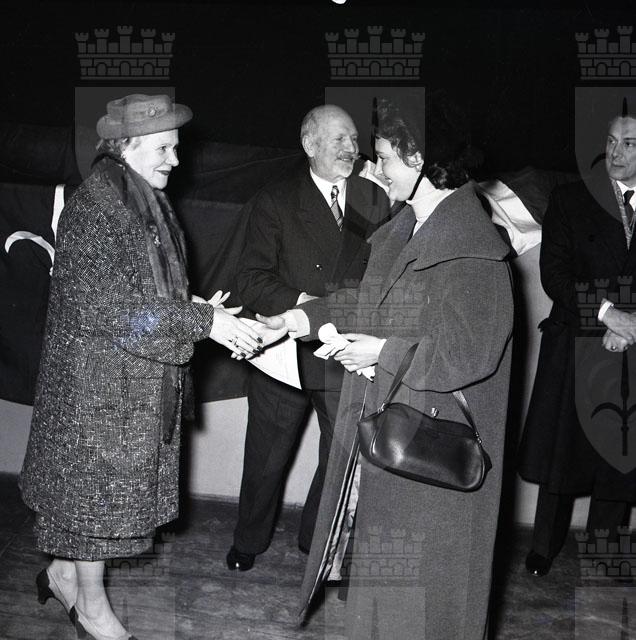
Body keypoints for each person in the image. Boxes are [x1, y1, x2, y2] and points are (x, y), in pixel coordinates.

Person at [19, 94, 275, 640]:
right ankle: (91, 610)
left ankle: (61, 574)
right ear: (124, 146)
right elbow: (112, 309)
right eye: (163, 148)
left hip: (122, 382)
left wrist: (197, 308)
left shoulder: (140, 197)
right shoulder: (97, 208)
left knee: (85, 503)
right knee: (92, 510)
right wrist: (202, 322)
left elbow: (142, 291)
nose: (175, 160)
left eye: (175, 148)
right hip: (96, 390)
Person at [260, 92, 514, 639]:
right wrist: (297, 320)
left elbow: (468, 351)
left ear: (420, 160)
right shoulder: (405, 230)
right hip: (395, 448)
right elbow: (367, 302)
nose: (374, 169)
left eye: (385, 158)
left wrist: (381, 353)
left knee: (426, 607)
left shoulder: (476, 250)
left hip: (435, 466)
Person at [226, 104, 391, 571]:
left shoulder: (377, 200)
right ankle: (248, 540)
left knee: (341, 457)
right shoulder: (275, 200)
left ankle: (315, 543)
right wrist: (307, 308)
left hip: (346, 353)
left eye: (354, 139)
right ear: (309, 144)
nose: (351, 148)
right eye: (339, 139)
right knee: (266, 456)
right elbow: (251, 279)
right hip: (285, 352)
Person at [519, 111, 636, 577]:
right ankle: (542, 548)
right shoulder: (571, 199)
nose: (615, 152)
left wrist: (631, 326)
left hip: (633, 346)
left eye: (629, 144)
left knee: (621, 452)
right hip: (575, 341)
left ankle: (605, 549)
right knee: (560, 453)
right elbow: (555, 276)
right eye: (610, 141)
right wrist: (609, 315)